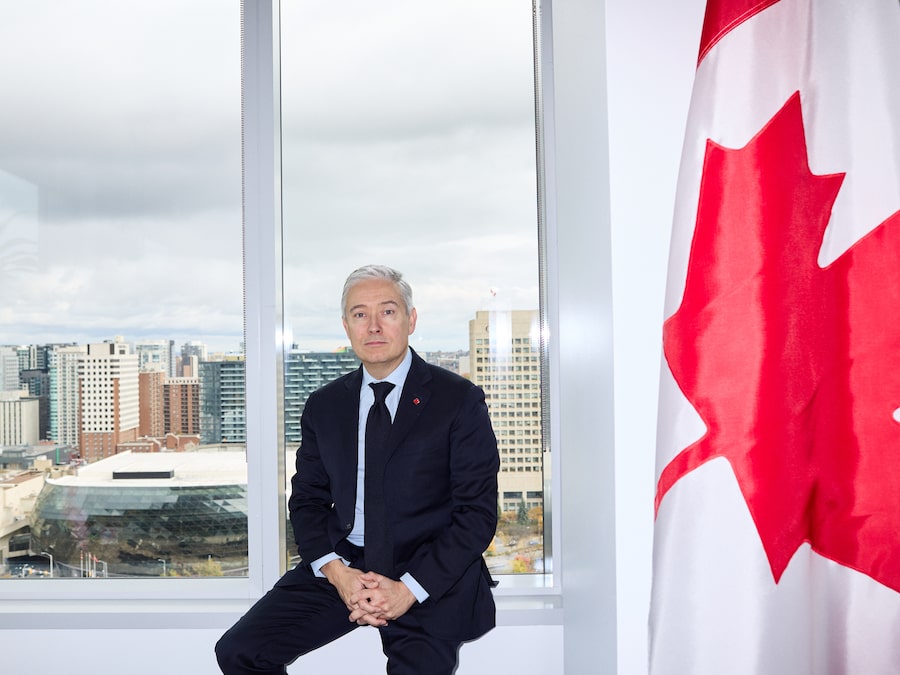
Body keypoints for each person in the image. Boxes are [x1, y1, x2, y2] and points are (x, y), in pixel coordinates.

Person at [216, 264, 499, 674]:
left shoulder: (458, 400)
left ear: (411, 319)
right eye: (359, 314)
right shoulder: (325, 406)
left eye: (387, 311)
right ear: (346, 326)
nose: (374, 326)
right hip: (346, 563)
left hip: (428, 569)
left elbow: (476, 514)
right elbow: (308, 501)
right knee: (240, 652)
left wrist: (408, 590)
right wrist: (336, 573)